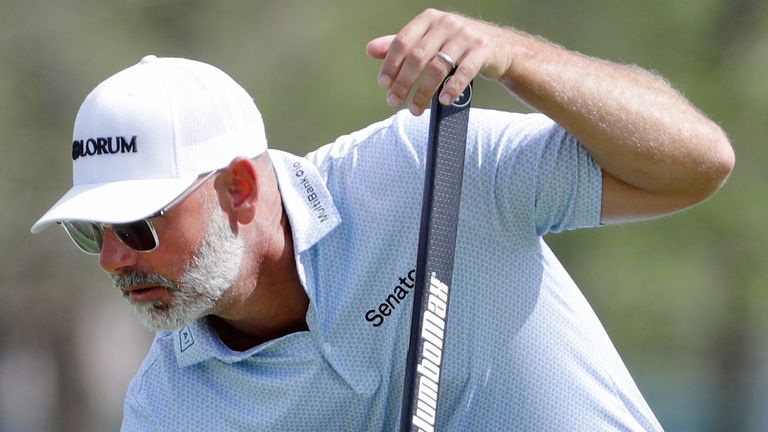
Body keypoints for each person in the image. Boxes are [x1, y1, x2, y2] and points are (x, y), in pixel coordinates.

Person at [32, 8, 733, 431]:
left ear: (240, 190)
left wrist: (518, 58)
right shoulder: (169, 411)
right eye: (92, 231)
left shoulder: (429, 169)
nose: (113, 260)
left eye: (137, 226)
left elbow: (697, 161)